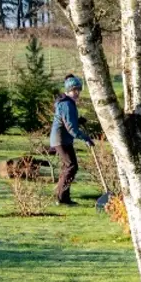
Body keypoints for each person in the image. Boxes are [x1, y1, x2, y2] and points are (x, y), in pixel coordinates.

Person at [51, 75, 94, 205]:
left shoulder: (68, 103)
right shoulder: (66, 104)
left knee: (69, 167)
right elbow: (71, 128)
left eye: (78, 90)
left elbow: (68, 121)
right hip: (61, 139)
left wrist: (78, 121)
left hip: (64, 139)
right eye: (74, 90)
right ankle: (61, 198)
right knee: (71, 166)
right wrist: (85, 138)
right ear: (68, 90)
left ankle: (63, 197)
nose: (77, 93)